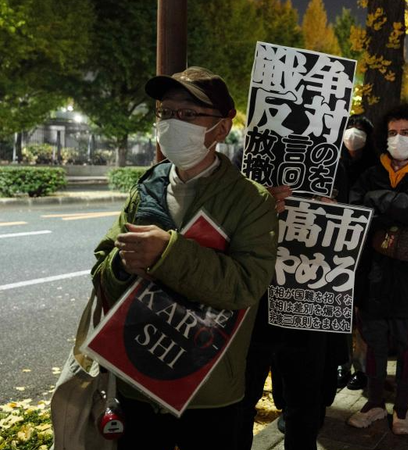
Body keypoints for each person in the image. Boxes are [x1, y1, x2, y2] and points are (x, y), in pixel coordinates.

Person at [90, 67, 278, 450]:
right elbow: (102, 269)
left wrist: (168, 253)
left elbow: (246, 285)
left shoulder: (251, 200)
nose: (173, 124)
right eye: (165, 113)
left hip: (209, 391)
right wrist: (122, 266)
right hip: (137, 380)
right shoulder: (148, 187)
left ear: (222, 129)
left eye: (189, 115)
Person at [348, 104, 408, 435]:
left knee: (407, 344)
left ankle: (402, 408)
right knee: (373, 341)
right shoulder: (373, 172)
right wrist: (388, 204)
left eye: (404, 133)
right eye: (392, 133)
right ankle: (375, 403)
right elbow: (356, 204)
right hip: (374, 273)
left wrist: (379, 203)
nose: (397, 139)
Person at [336, 115, 377, 391]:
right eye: (351, 128)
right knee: (338, 310)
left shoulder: (375, 168)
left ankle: (362, 369)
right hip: (333, 245)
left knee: (359, 313)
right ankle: (341, 364)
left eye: (361, 130)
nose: (354, 134)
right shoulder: (331, 162)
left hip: (363, 249)